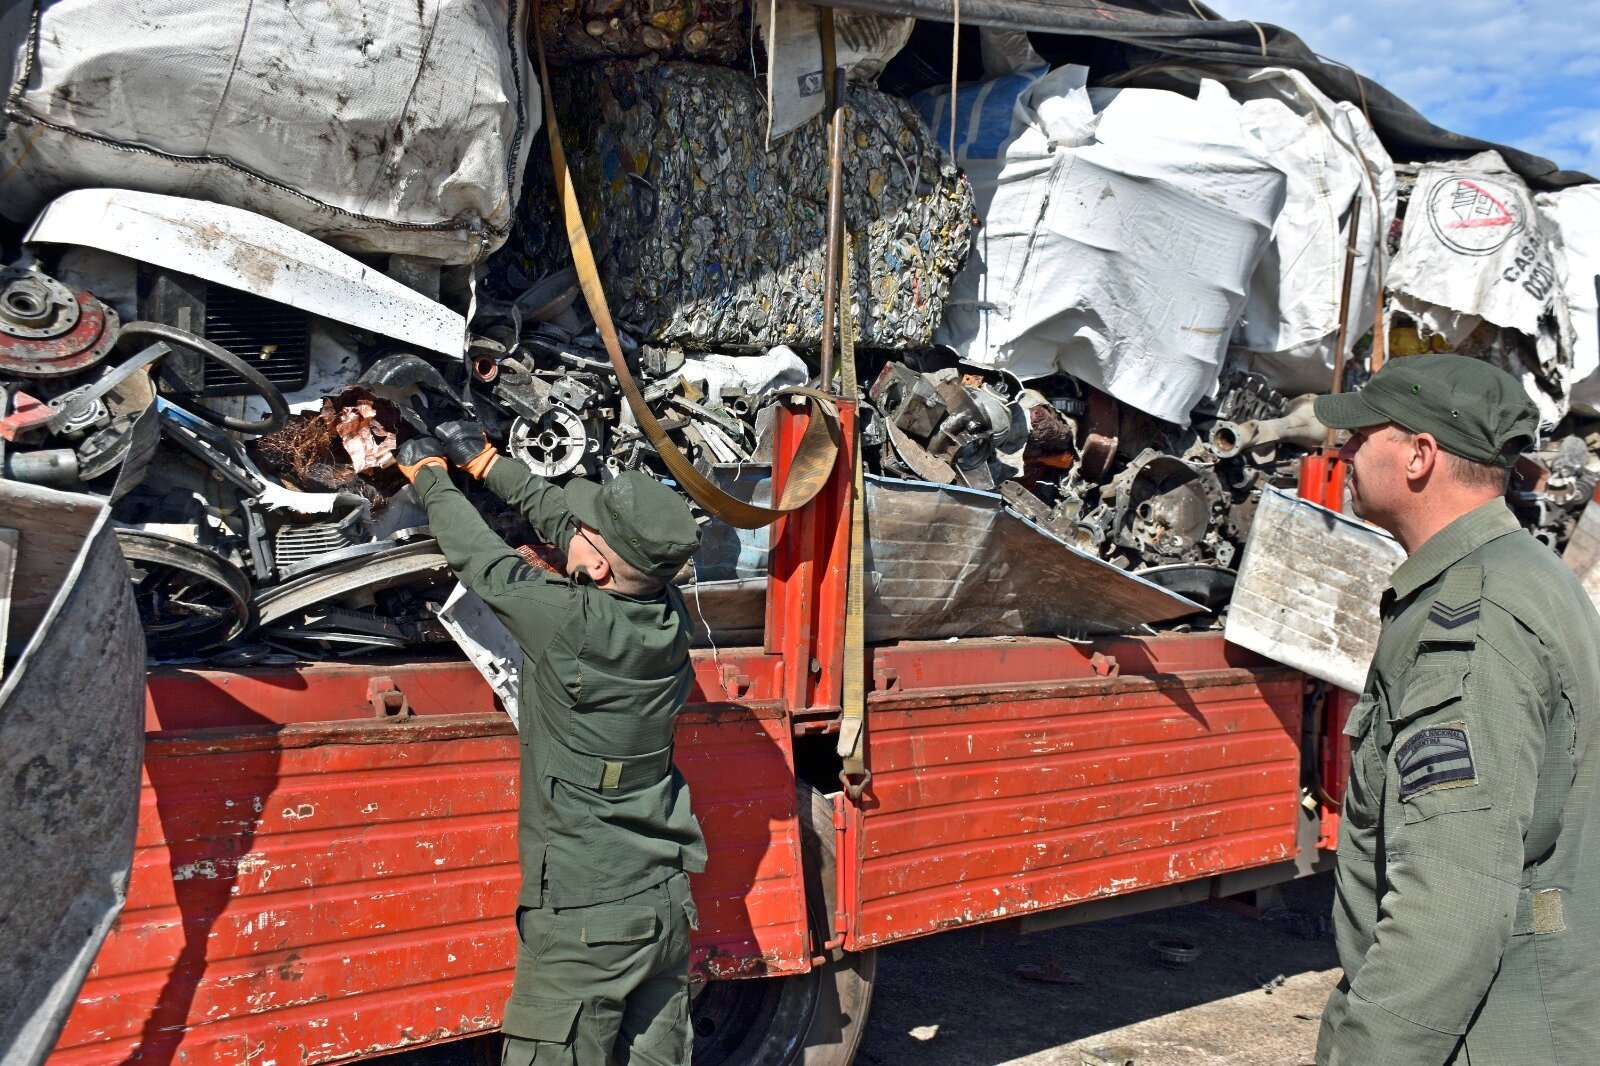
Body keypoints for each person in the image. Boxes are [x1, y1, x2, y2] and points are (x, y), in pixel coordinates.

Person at [1311, 354, 1600, 1064]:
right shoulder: (1528, 574)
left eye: (1362, 435)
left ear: (1419, 455)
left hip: (1487, 1035)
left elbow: (1451, 906)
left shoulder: (1473, 623)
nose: (1343, 451)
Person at [396, 421, 706, 1066]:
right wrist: (486, 462)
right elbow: (568, 526)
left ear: (596, 565)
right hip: (664, 907)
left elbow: (482, 559)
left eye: (584, 532)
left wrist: (428, 477)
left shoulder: (570, 621)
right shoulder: (663, 607)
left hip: (586, 919)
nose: (568, 527)